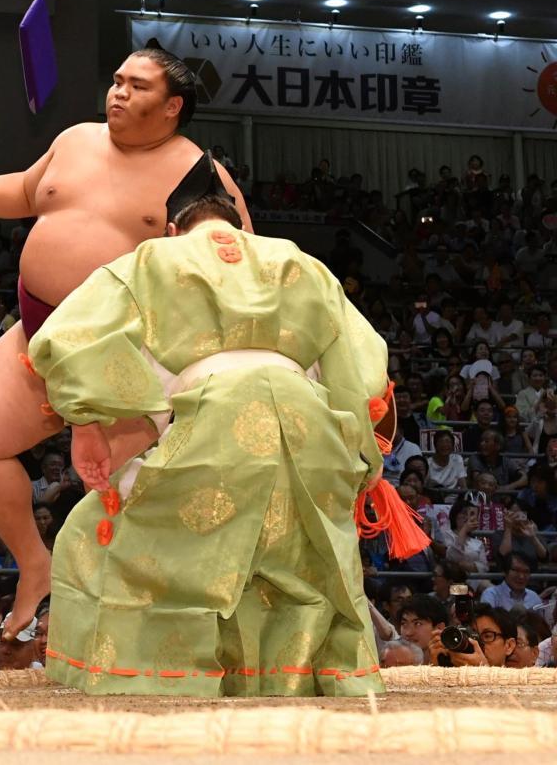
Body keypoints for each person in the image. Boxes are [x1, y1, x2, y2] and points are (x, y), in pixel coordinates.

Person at [0, 48, 252, 636]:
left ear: (173, 106)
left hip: (132, 361)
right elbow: (26, 192)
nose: (118, 93)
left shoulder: (199, 175)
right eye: (117, 79)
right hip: (39, 332)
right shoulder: (75, 140)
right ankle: (34, 564)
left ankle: (131, 628)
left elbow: (238, 266)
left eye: (137, 86)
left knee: (117, 494)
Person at [27, 185, 406, 697]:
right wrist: (359, 460)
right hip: (308, 422)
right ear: (243, 231)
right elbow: (362, 371)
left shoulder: (154, 257)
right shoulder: (300, 262)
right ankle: (290, 682)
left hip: (214, 418)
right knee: (299, 561)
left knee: (110, 537)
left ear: (173, 231)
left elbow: (71, 338)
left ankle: (163, 681)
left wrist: (88, 420)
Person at [427, 603, 517, 667]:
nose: (476, 643)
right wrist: (436, 667)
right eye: (473, 636)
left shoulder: (522, 681)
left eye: (487, 636)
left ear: (509, 646)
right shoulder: (452, 674)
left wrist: (482, 673)